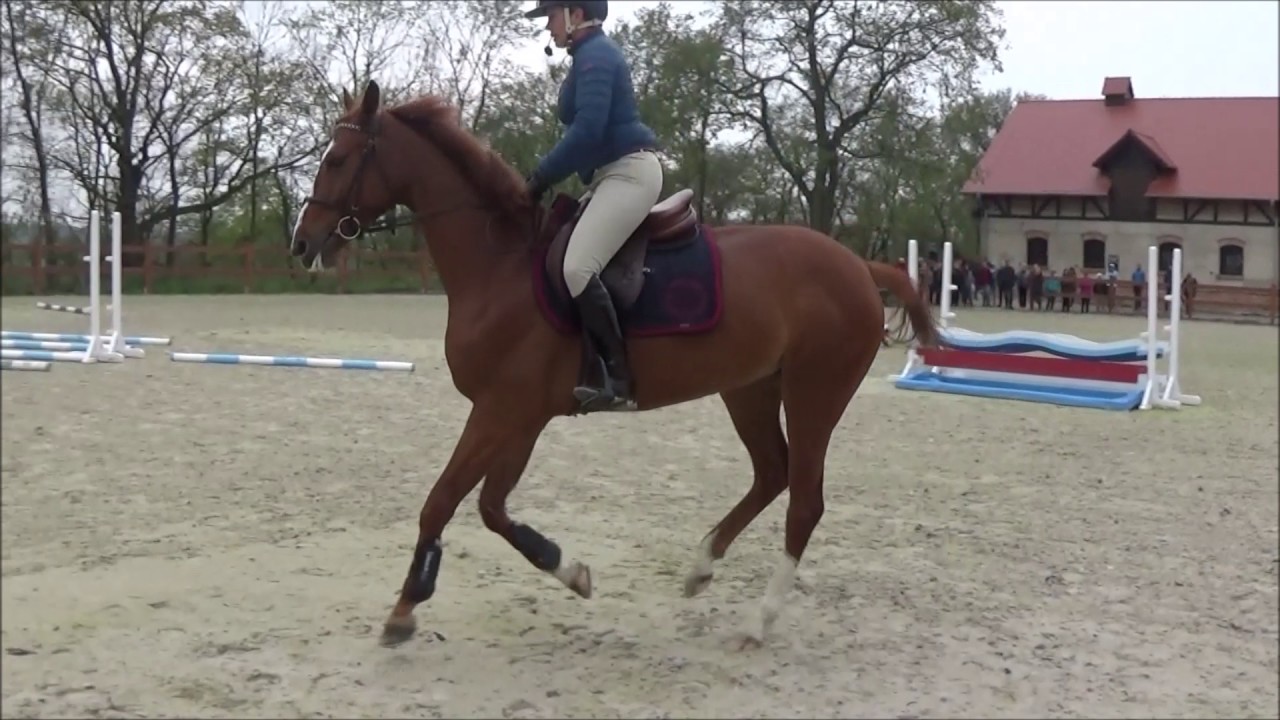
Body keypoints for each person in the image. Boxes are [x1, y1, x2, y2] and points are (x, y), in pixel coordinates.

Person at [523, 0, 663, 412]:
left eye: (550, 16)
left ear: (575, 14)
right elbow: (576, 120)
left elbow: (586, 132)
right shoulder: (586, 56)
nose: (547, 27)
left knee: (576, 266)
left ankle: (619, 377)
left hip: (629, 172)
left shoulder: (598, 56)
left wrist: (539, 177)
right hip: (608, 175)